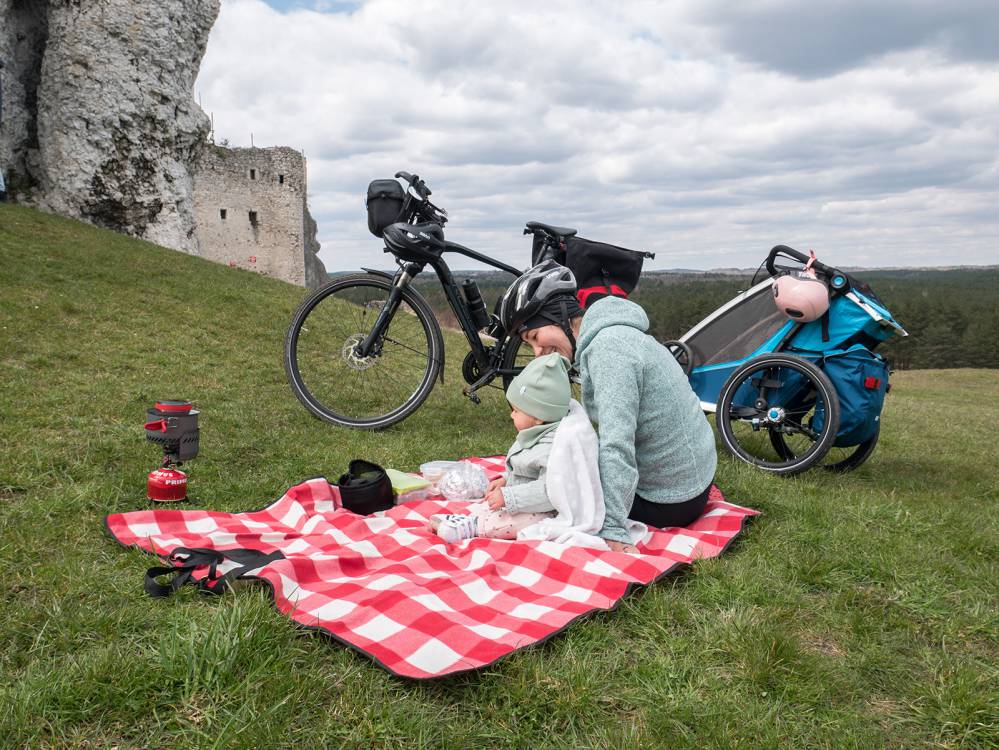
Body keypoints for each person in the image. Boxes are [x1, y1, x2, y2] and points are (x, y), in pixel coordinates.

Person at [498, 261, 718, 554]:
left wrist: (612, 527)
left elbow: (616, 444)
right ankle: (518, 485)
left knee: (565, 489)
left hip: (670, 499)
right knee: (569, 468)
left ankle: (513, 496)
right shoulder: (612, 336)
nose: (538, 352)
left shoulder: (609, 351)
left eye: (535, 337)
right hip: (690, 480)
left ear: (560, 316)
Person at [430, 353, 573, 543]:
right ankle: (473, 520)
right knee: (489, 505)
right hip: (521, 499)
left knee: (519, 523)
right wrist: (506, 480)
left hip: (547, 509)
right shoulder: (534, 432)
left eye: (516, 410)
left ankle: (473, 528)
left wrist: (510, 496)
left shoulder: (551, 449)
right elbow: (525, 472)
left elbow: (550, 491)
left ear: (538, 416)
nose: (511, 415)